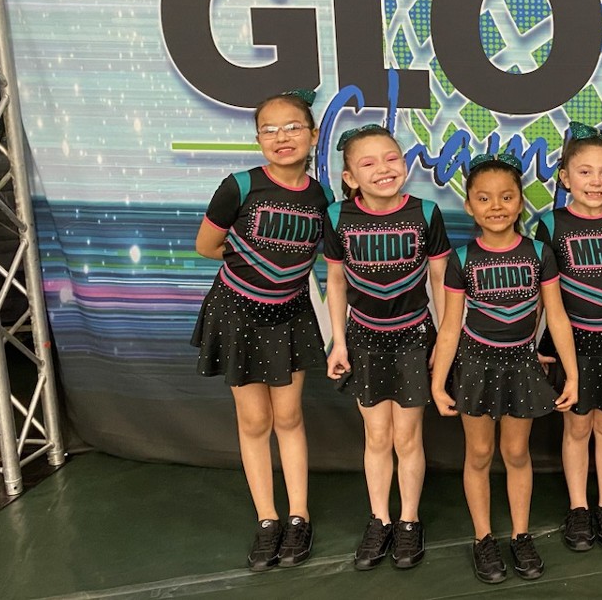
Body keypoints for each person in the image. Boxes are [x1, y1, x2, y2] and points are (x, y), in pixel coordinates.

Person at [192, 89, 333, 571]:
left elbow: (322, 259)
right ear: (258, 140)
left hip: (289, 315)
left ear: (313, 134)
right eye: (268, 130)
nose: (281, 137)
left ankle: (298, 516)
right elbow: (207, 246)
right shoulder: (239, 187)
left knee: (289, 416)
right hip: (237, 313)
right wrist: (253, 269)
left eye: (292, 127)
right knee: (254, 421)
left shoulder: (321, 197)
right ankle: (268, 518)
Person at [429, 153, 580, 584]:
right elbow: (450, 327)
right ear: (469, 205)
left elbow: (557, 316)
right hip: (476, 366)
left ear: (520, 202)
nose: (496, 206)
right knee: (479, 453)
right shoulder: (463, 258)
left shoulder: (539, 253)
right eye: (484, 198)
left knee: (516, 453)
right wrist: (438, 383)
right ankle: (483, 538)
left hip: (521, 364)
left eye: (506, 197)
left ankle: (520, 534)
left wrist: (572, 373)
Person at [323, 124, 450, 570]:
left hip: (414, 336)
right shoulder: (338, 216)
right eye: (368, 162)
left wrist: (445, 343)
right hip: (364, 339)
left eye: (391, 157)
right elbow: (335, 280)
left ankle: (409, 520)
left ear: (404, 163)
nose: (383, 168)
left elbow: (442, 282)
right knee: (377, 435)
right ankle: (380, 519)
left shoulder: (425, 213)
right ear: (350, 177)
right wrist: (339, 343)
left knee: (407, 436)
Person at [534, 122, 602, 553]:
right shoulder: (551, 225)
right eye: (585, 172)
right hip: (572, 344)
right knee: (577, 426)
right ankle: (579, 506)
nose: (596, 182)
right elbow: (541, 296)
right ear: (565, 177)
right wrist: (533, 344)